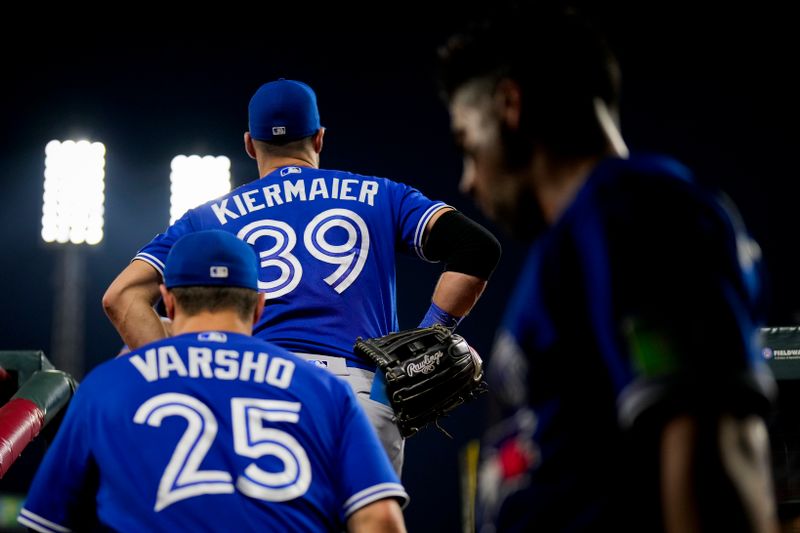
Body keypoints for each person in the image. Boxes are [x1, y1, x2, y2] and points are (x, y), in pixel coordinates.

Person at [437, 9, 778, 533]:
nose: (467, 179)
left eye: (467, 144)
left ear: (510, 106)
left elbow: (710, 433)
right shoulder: (577, 241)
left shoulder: (632, 208)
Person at [103, 78, 501, 474]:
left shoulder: (210, 218)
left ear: (249, 144)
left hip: (256, 395)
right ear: (319, 138)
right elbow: (477, 247)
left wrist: (179, 381)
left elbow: (121, 297)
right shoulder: (381, 194)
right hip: (360, 397)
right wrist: (431, 335)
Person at [21, 230, 408, 533]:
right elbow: (380, 521)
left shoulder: (108, 385)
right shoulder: (324, 390)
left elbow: (45, 522)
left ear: (168, 303)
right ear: (258, 307)